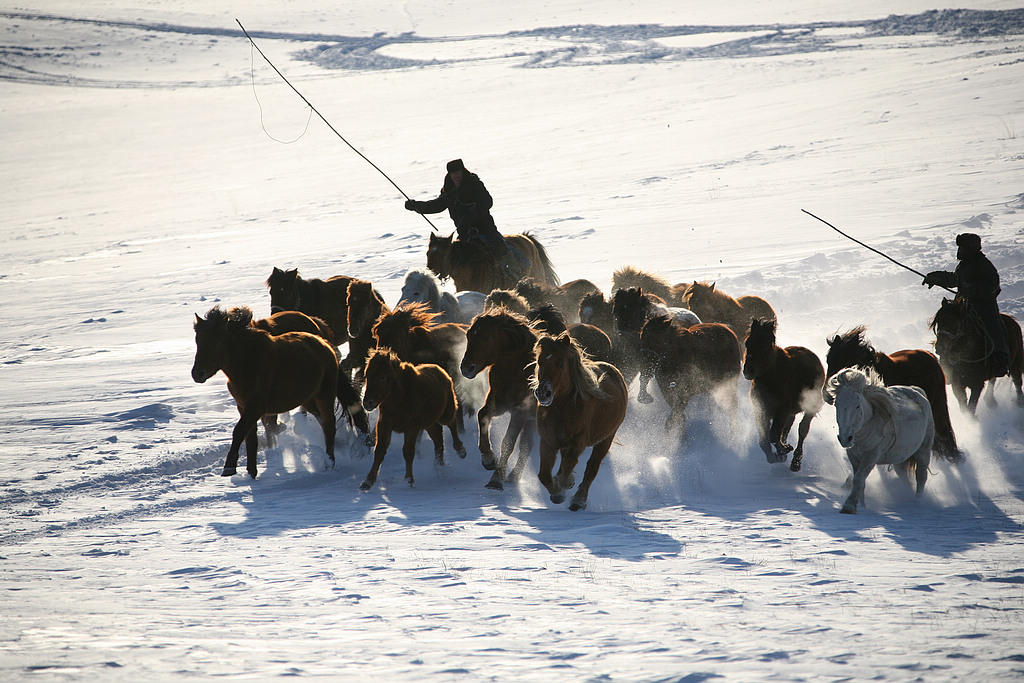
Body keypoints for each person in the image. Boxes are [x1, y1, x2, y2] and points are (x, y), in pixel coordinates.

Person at [404, 159, 526, 281]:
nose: (456, 176)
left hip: (484, 228)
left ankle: (518, 275)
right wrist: (415, 206)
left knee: (499, 247)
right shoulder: (449, 192)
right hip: (465, 233)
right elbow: (435, 205)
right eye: (453, 173)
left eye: (458, 172)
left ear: (463, 171)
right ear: (449, 175)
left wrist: (476, 211)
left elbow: (487, 201)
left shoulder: (474, 184)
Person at [923, 232, 1009, 377]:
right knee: (948, 320)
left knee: (993, 325)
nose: (959, 251)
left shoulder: (984, 265)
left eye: (962, 248)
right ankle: (945, 359)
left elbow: (992, 284)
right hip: (965, 305)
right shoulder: (964, 265)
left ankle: (1000, 358)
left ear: (970, 249)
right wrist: (935, 277)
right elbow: (955, 279)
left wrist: (971, 289)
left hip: (984, 305)